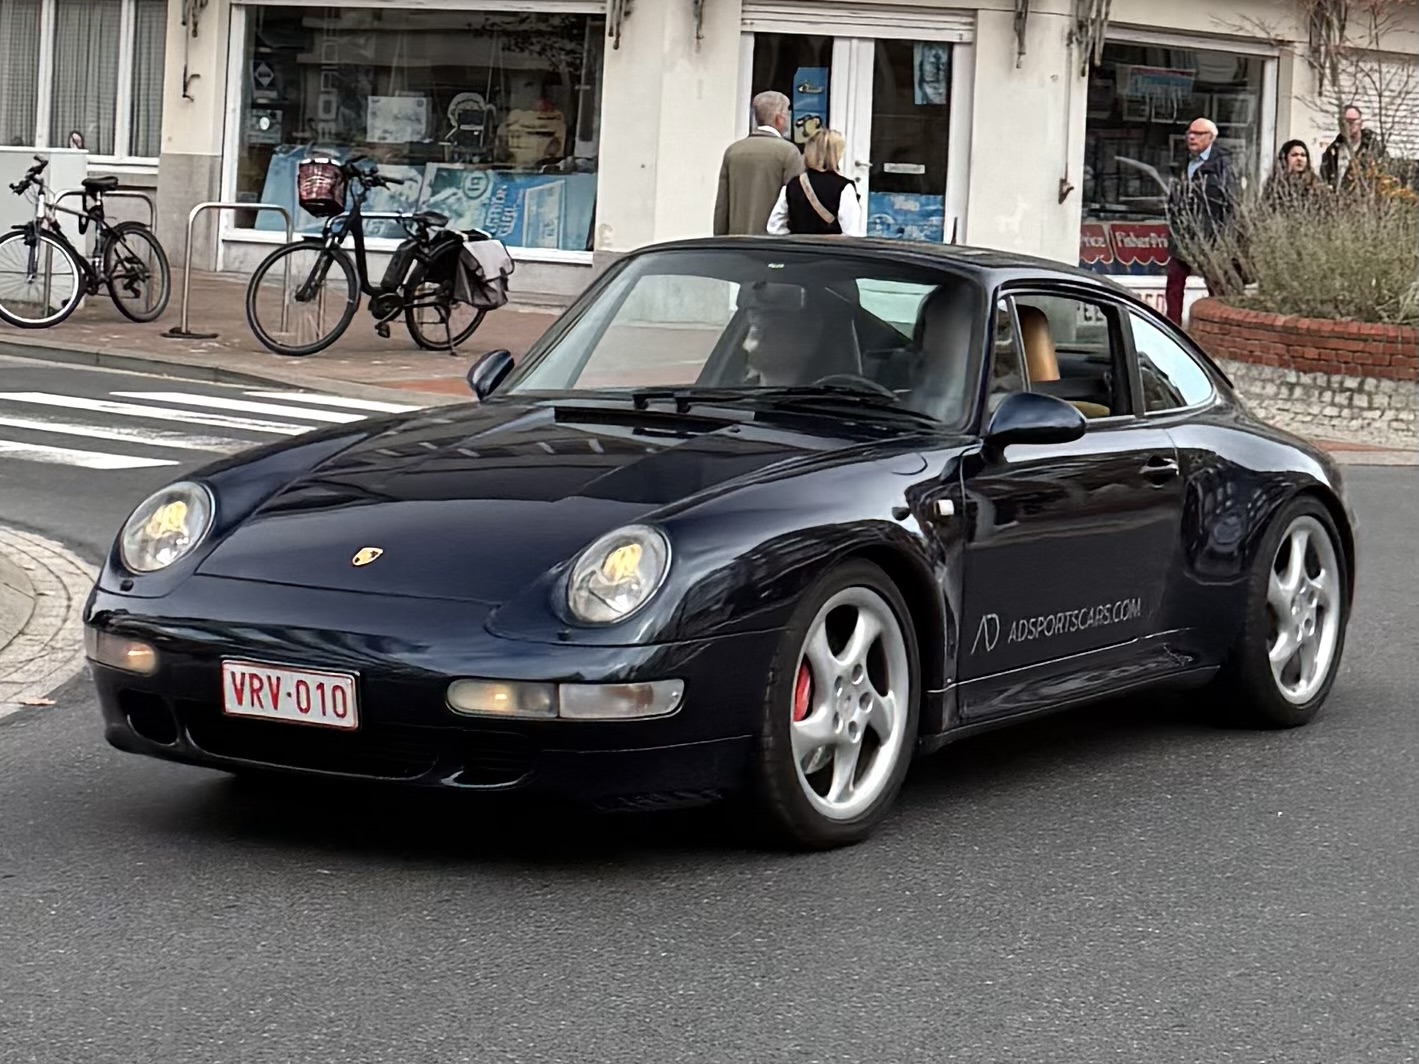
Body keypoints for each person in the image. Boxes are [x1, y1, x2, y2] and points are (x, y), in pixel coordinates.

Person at [1164, 116, 1236, 325]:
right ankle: (1172, 328)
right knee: (1174, 284)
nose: (1191, 137)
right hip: (1183, 234)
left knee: (1216, 285)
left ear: (1211, 138)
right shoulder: (1183, 161)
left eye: (1197, 134)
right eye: (1189, 133)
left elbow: (1231, 203)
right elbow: (1174, 195)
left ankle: (1217, 329)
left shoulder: (1222, 164)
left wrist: (1224, 238)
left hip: (1209, 236)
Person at [712, 91, 806, 236]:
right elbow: (797, 204)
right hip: (773, 244)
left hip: (736, 242)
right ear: (779, 118)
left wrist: (720, 240)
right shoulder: (789, 152)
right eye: (787, 113)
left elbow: (722, 206)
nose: (788, 118)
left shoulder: (734, 151)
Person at [766, 129, 863, 236]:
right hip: (830, 251)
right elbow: (851, 233)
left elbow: (774, 227)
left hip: (798, 250)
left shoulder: (792, 185)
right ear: (836, 154)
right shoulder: (844, 188)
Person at [1320, 104, 1386, 194]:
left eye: (1351, 121)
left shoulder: (1373, 149)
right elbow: (1324, 180)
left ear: (1361, 123)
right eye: (1344, 122)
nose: (1347, 125)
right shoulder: (1332, 152)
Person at [1263, 139, 1328, 210]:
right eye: (1294, 155)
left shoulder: (1316, 184)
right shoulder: (1275, 185)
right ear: (1285, 158)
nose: (1299, 158)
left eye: (1303, 155)